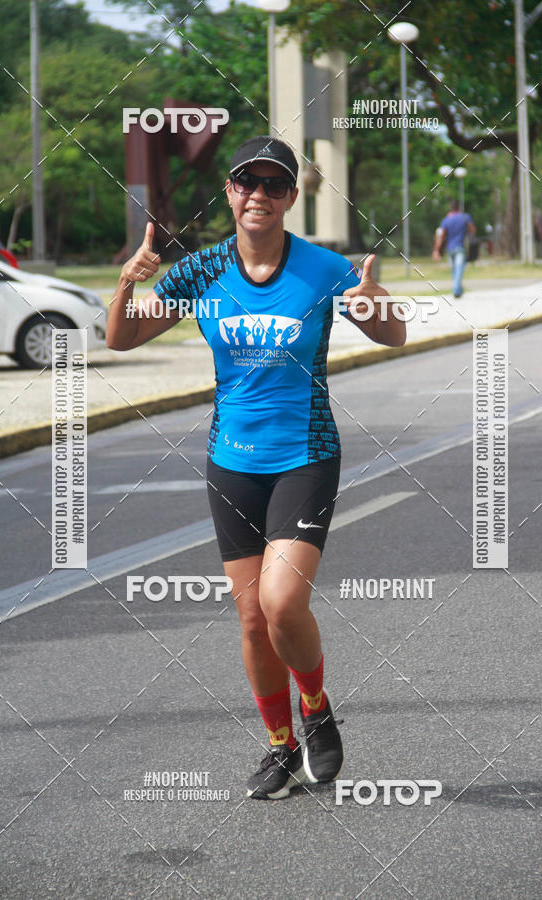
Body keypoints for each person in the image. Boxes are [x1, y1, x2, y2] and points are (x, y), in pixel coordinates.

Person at [106, 136, 406, 800]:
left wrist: (378, 303)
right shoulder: (200, 271)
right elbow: (121, 338)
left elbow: (393, 335)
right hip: (230, 463)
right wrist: (128, 282)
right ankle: (281, 747)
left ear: (292, 198)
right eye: (249, 182)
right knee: (250, 619)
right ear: (231, 193)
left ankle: (318, 708)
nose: (260, 195)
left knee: (281, 602)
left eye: (276, 185)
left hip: (306, 455)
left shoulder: (327, 269)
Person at [433, 199, 476, 297]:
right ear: (459, 207)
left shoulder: (446, 220)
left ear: (450, 208)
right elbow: (473, 230)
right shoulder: (465, 217)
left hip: (450, 248)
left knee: (454, 270)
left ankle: (457, 289)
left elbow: (441, 236)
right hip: (460, 247)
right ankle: (457, 290)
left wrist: (436, 250)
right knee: (459, 268)